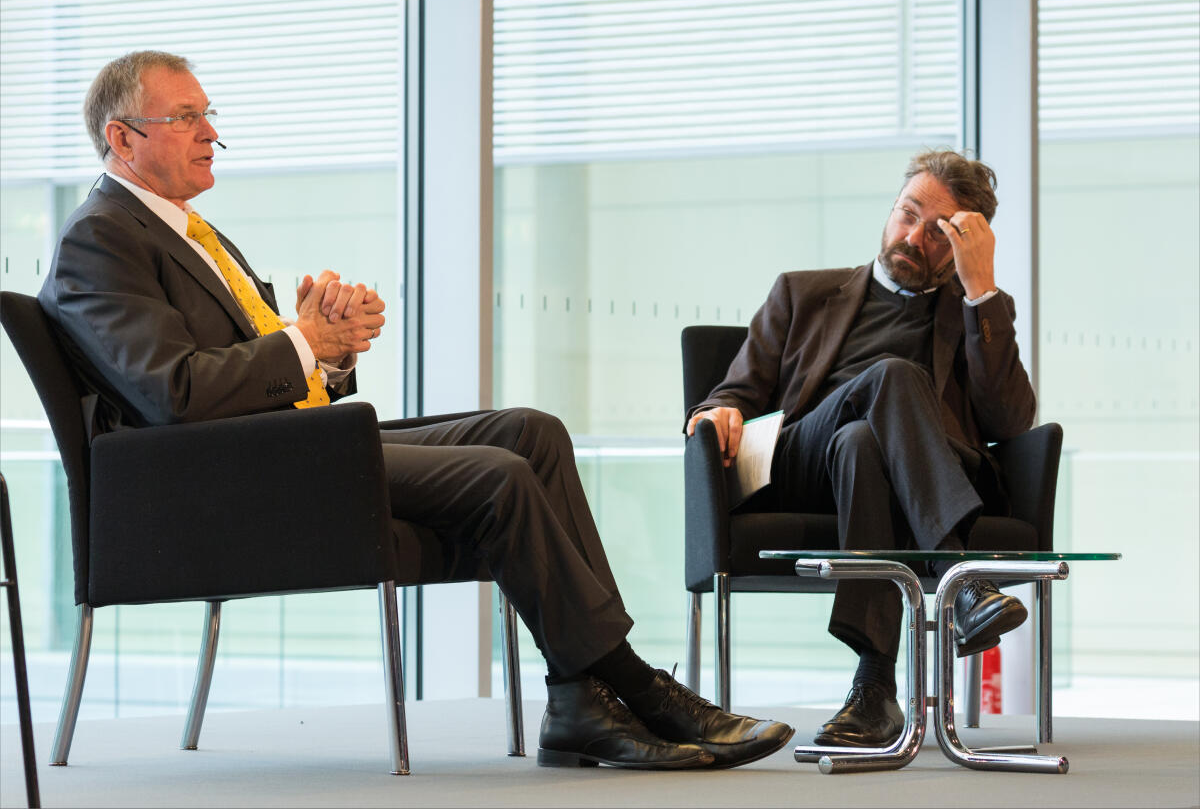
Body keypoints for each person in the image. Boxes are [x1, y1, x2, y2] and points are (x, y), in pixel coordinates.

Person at [39, 51, 793, 771]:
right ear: (122, 137)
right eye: (187, 117)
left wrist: (325, 354)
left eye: (210, 114)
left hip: (278, 444)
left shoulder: (192, 234)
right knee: (498, 476)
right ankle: (628, 686)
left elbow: (253, 374)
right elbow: (175, 392)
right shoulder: (99, 240)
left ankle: (579, 698)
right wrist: (304, 341)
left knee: (529, 430)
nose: (211, 134)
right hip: (217, 481)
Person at [686, 149, 1036, 749]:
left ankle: (874, 690)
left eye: (938, 232)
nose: (913, 236)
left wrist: (982, 290)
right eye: (907, 214)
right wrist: (714, 412)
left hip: (898, 469)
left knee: (861, 443)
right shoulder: (801, 293)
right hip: (802, 460)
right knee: (889, 377)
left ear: (961, 248)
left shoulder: (970, 313)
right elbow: (732, 393)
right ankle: (959, 578)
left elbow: (1009, 418)